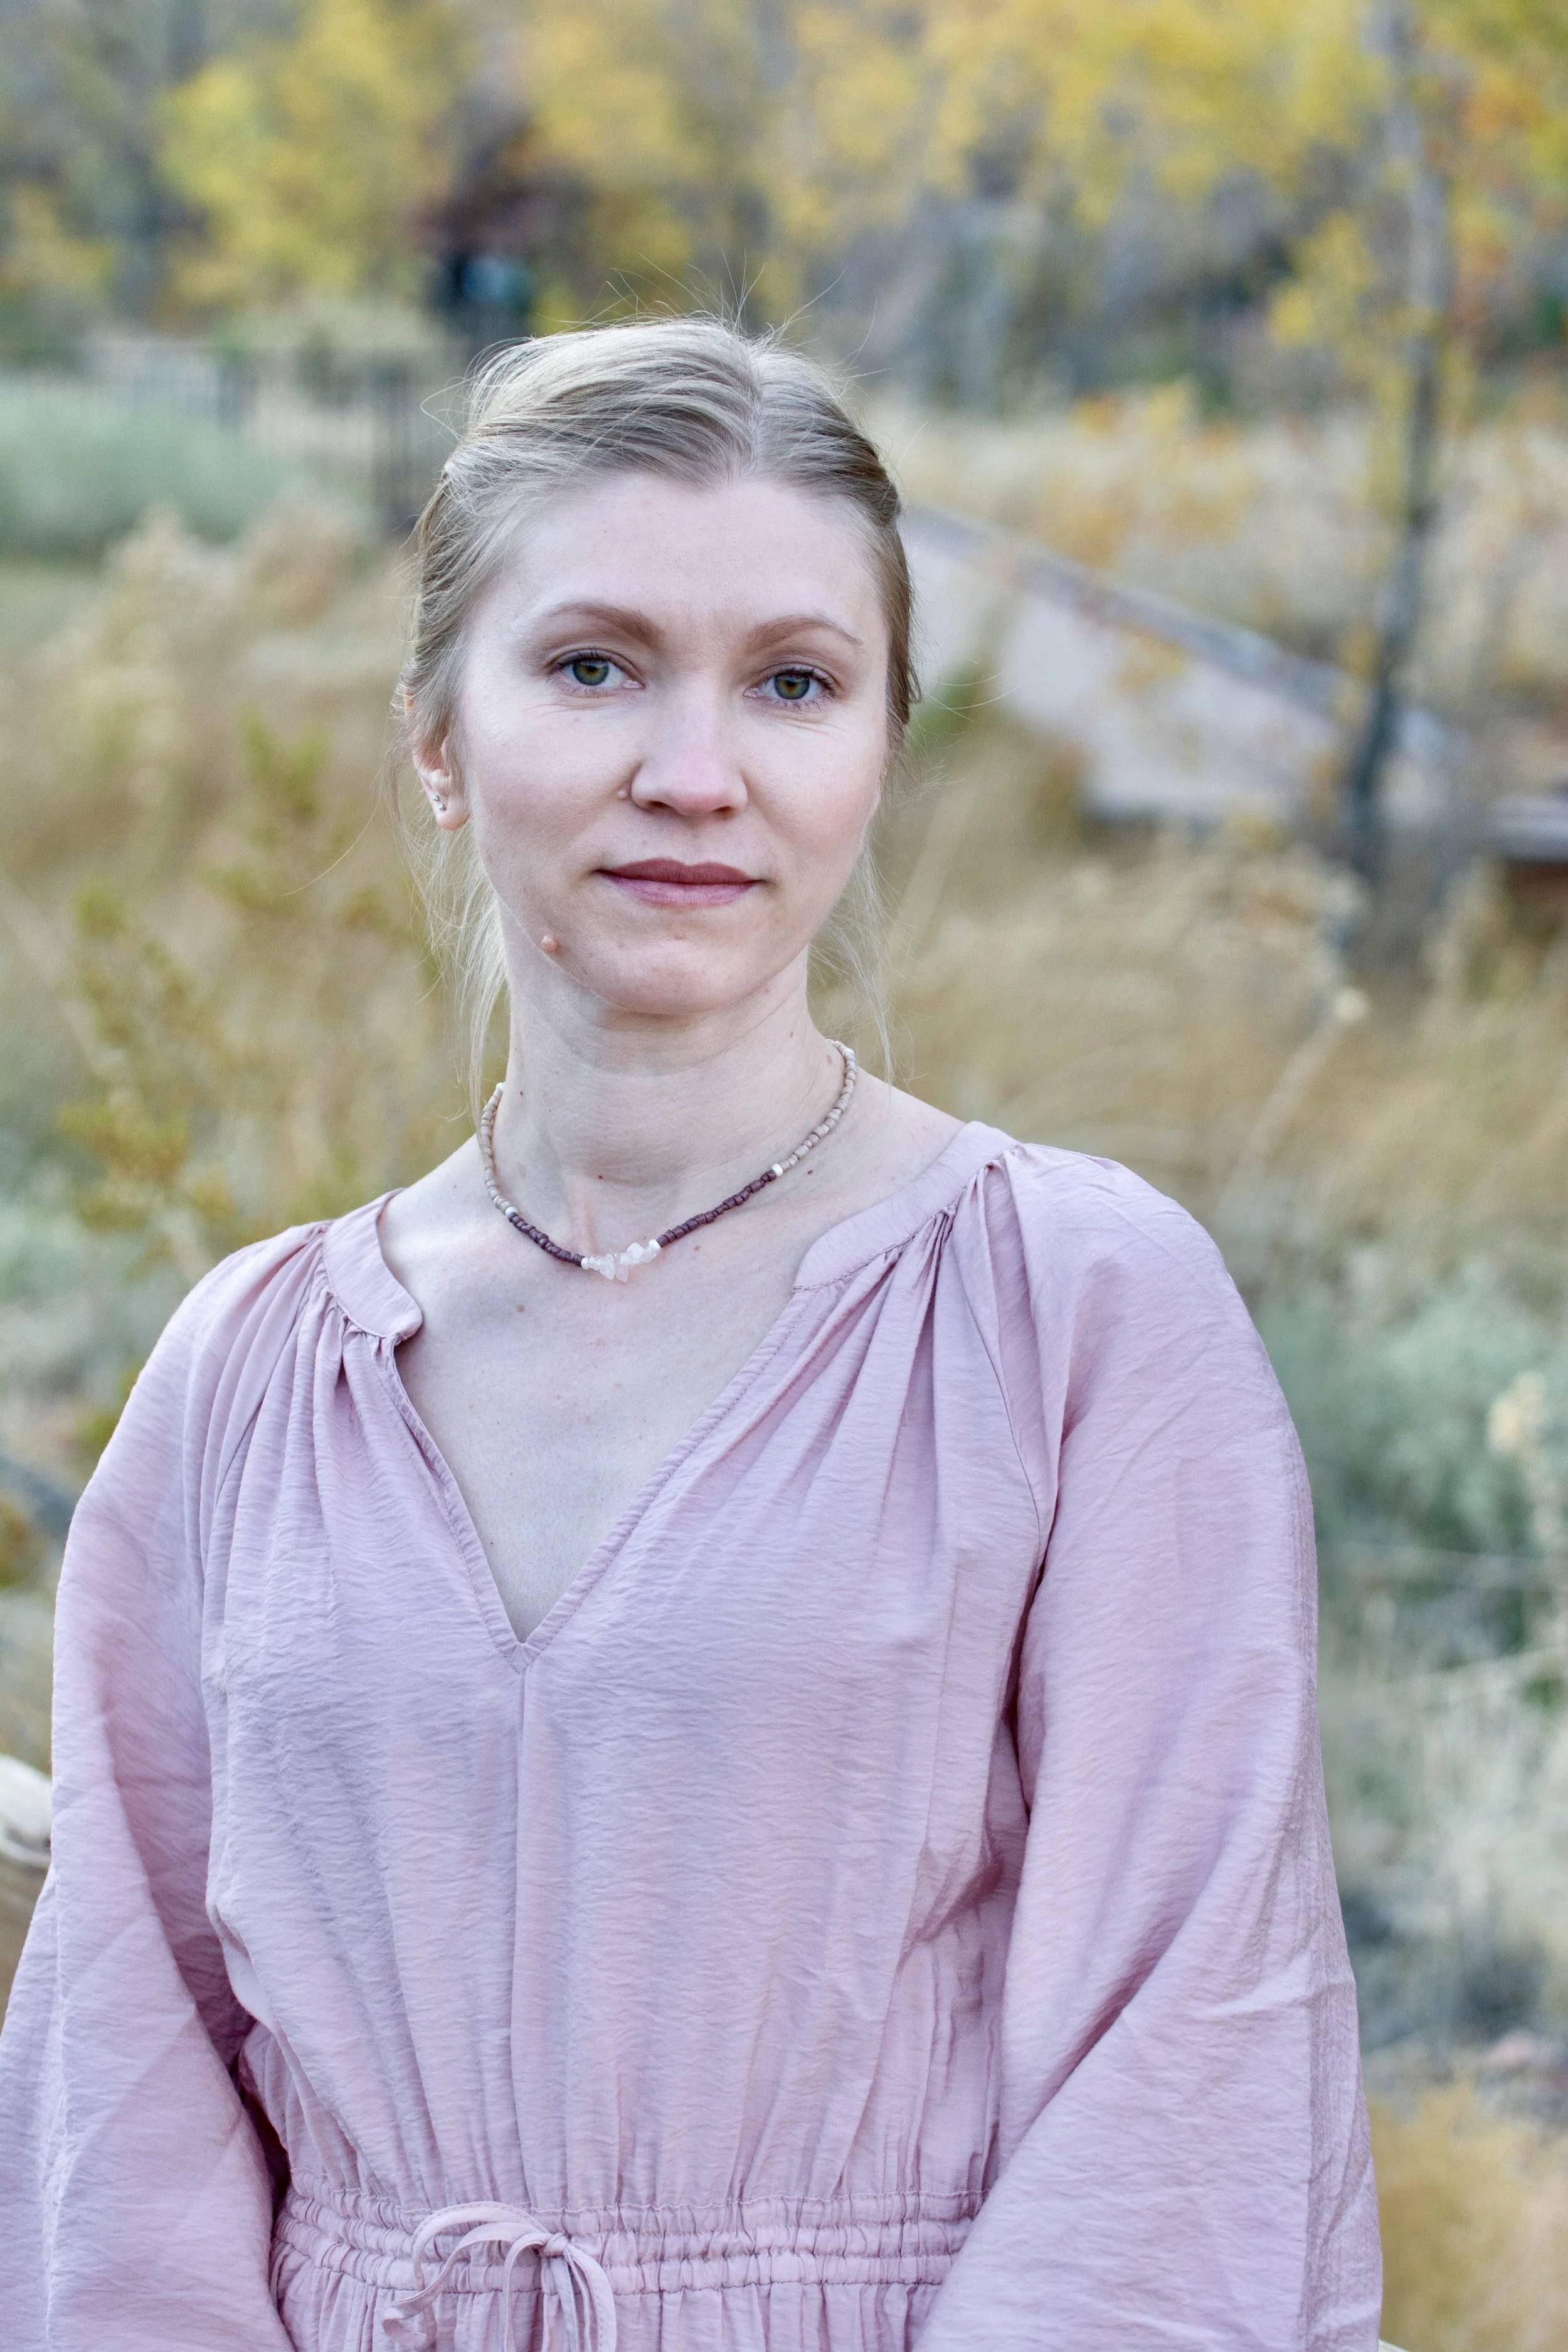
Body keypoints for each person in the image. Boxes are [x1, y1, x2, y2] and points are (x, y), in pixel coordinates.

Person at [0, 318, 1381, 2352]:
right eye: (592, 664)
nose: (693, 773)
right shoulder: (250, 1374)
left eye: (793, 683)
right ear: (438, 740)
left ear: (882, 748)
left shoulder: (1073, 1313)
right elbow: (123, 2111)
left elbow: (1182, 2091)